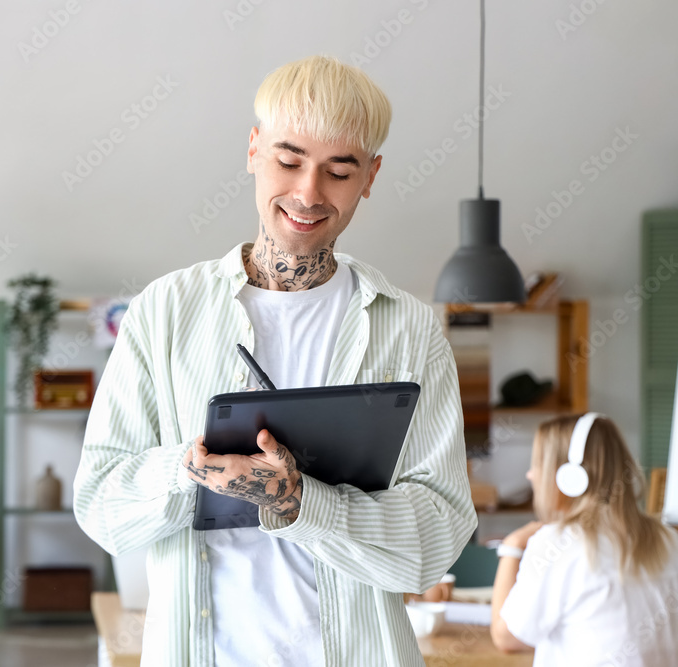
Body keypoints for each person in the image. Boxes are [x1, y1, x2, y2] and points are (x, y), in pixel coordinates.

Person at [73, 55, 477, 666]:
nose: (308, 193)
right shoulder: (163, 312)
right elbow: (103, 508)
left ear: (370, 176)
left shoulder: (411, 330)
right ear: (254, 149)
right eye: (289, 161)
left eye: (339, 172)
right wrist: (191, 470)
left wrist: (298, 502)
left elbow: (439, 537)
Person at [491, 413, 678, 666]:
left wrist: (511, 547)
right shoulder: (669, 538)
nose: (530, 475)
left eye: (538, 465)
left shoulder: (557, 543)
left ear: (570, 477)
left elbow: (506, 637)